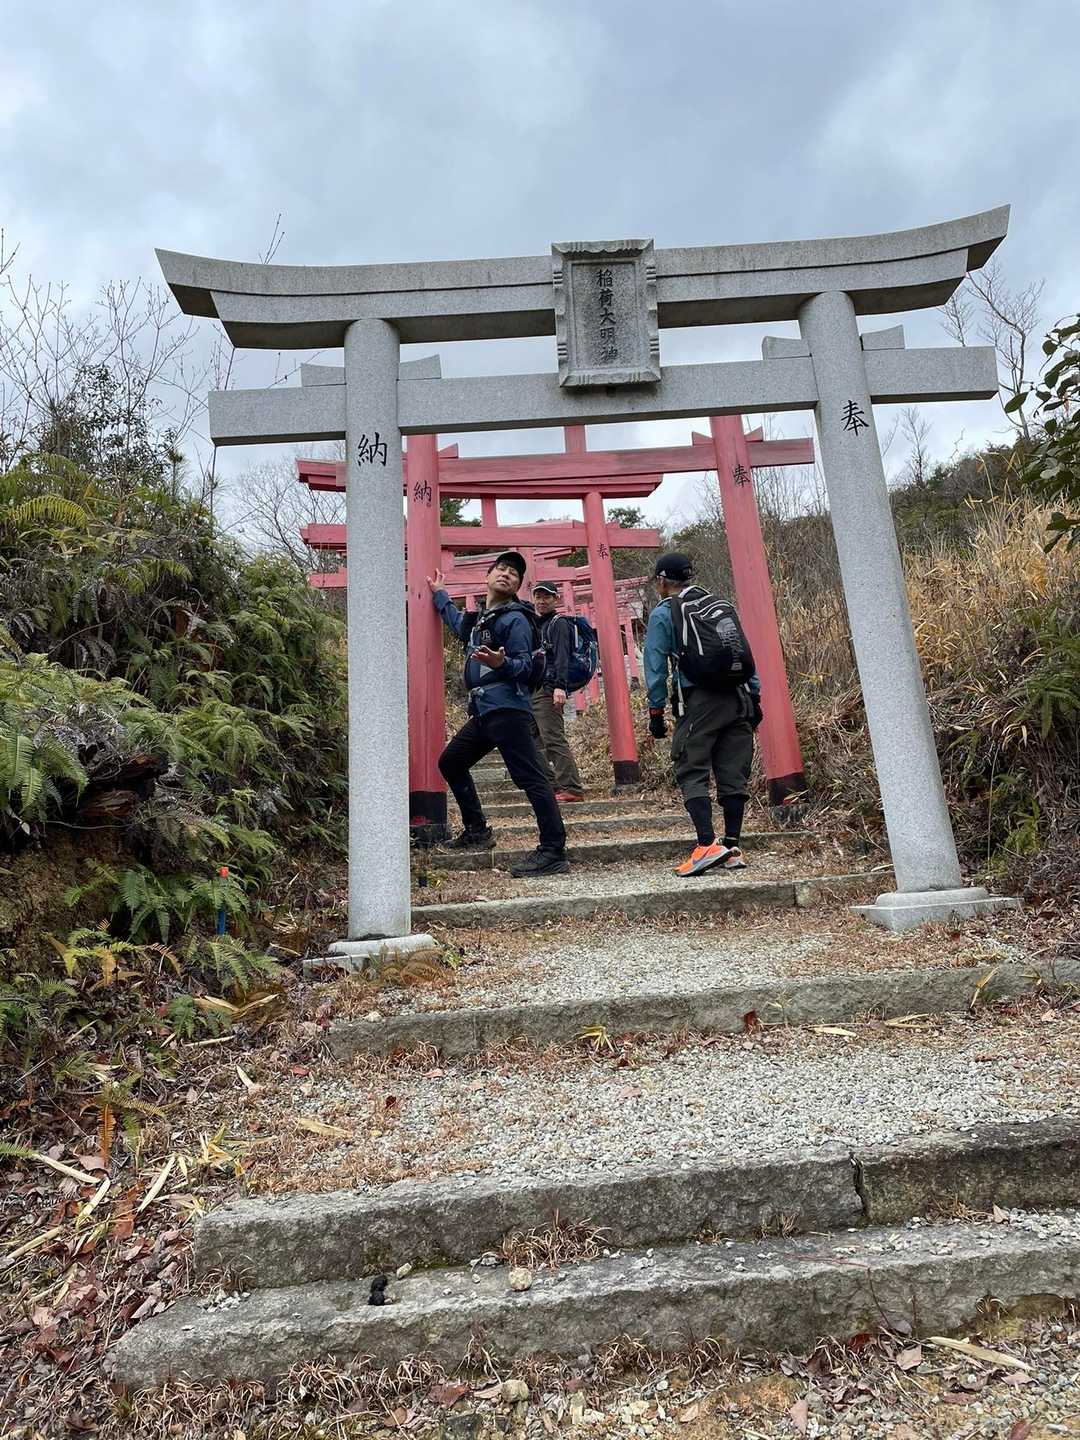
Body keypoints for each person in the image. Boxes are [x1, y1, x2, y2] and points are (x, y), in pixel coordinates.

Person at [427, 551, 570, 878]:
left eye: (514, 574)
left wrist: (501, 663)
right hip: (485, 711)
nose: (507, 574)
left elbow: (525, 666)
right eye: (501, 569)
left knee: (531, 778)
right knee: (451, 761)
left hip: (508, 710)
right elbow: (455, 622)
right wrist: (440, 595)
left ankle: (553, 850)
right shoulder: (482, 619)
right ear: (488, 576)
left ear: (517, 586)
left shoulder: (515, 619)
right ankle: (477, 830)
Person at [643, 552, 761, 878]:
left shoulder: (666, 612)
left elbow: (655, 665)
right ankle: (732, 847)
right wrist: (755, 697)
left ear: (662, 580)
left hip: (700, 701)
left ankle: (706, 845)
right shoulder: (719, 604)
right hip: (739, 698)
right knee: (733, 772)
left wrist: (655, 710)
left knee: (691, 768)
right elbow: (743, 651)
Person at [530, 580, 586, 803]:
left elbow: (563, 656)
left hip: (549, 688)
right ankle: (551, 785)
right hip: (534, 689)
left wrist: (560, 686)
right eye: (538, 597)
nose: (542, 601)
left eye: (547, 597)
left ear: (556, 599)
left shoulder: (559, 623)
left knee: (552, 738)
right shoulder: (537, 624)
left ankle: (571, 787)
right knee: (530, 740)